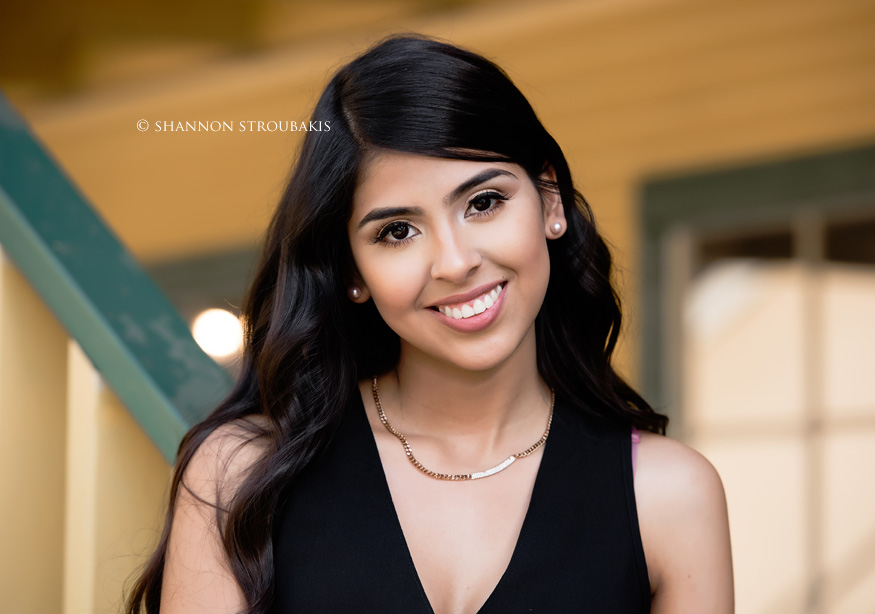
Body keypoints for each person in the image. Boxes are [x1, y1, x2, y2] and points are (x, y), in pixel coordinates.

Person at [127, 34, 733, 614]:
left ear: (549, 201)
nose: (455, 262)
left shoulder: (670, 496)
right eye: (397, 231)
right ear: (352, 271)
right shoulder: (242, 475)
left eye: (484, 202)